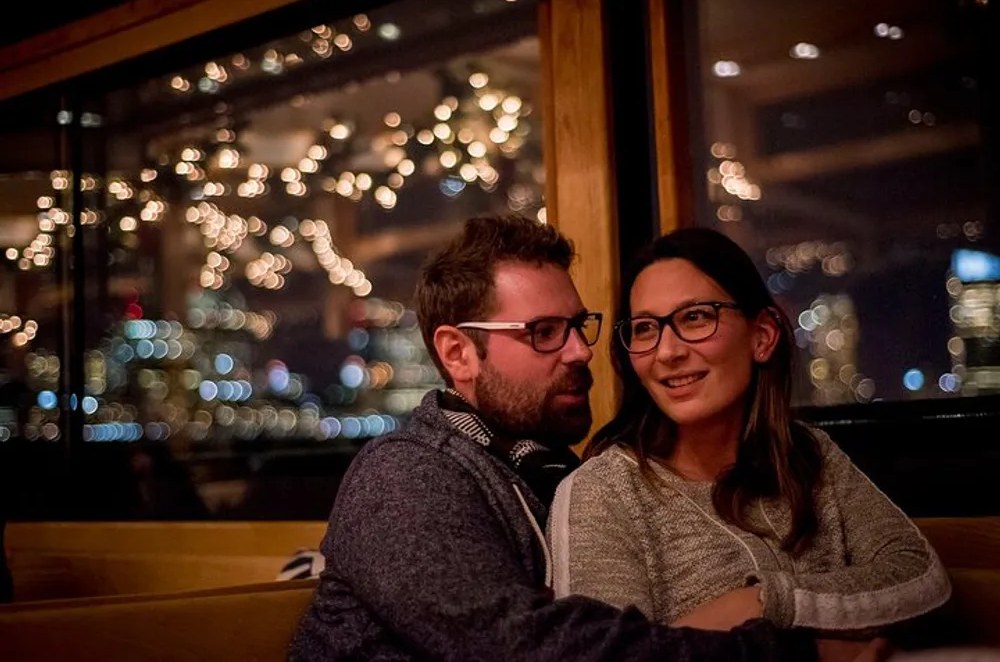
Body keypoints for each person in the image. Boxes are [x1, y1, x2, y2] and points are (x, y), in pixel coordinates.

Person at [288, 215, 825, 662]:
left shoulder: (561, 474)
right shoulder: (405, 475)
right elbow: (526, 649)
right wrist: (793, 650)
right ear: (457, 355)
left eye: (577, 326)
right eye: (544, 333)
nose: (580, 352)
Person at [548, 228, 951, 650]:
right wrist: (817, 649)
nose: (666, 352)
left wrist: (759, 603)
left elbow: (920, 577)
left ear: (762, 337)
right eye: (646, 328)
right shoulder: (602, 492)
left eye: (695, 317)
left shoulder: (810, 456)